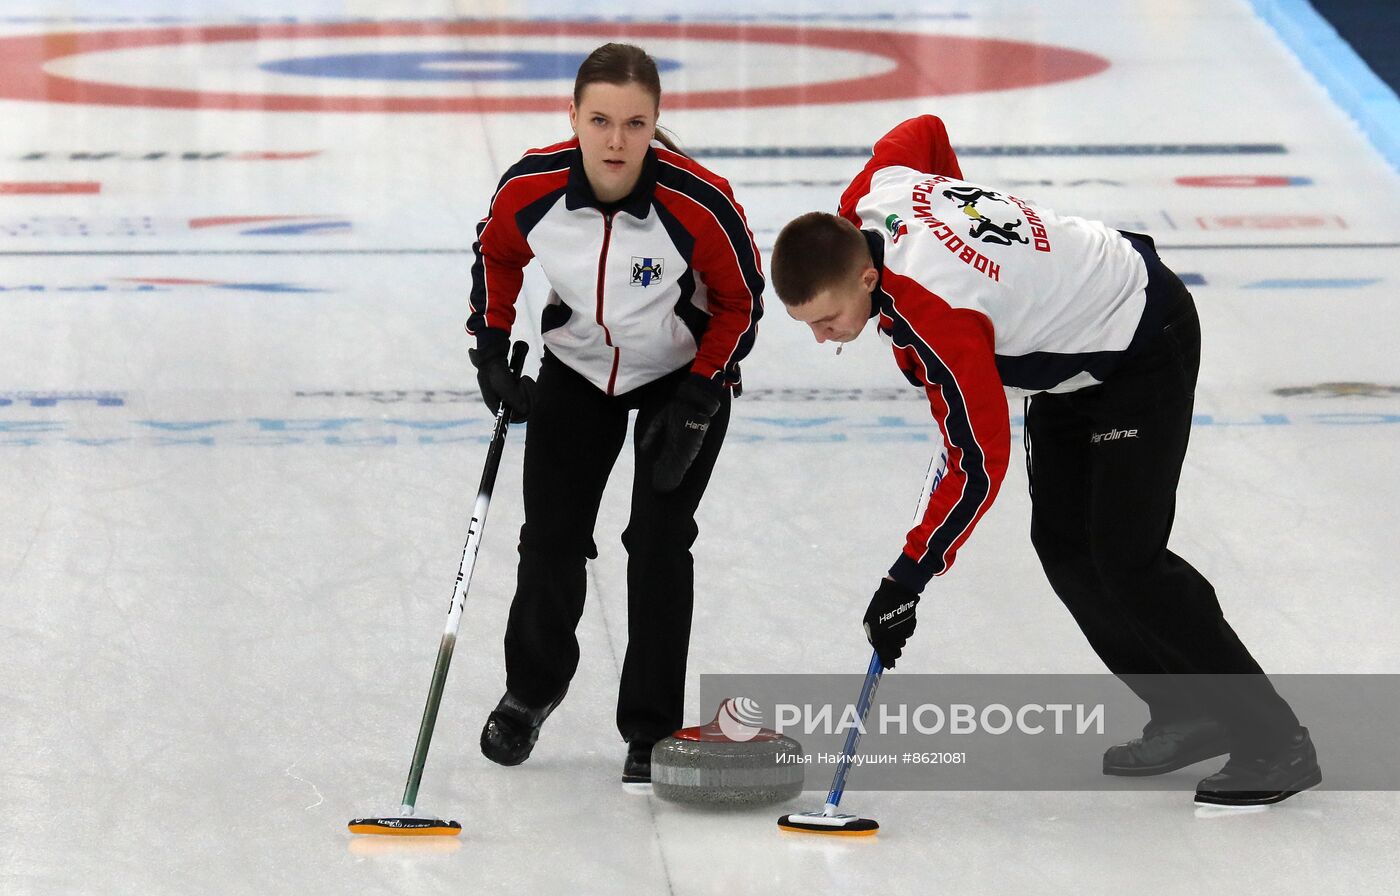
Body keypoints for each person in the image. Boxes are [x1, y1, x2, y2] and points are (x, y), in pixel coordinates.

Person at [768, 114, 1319, 807]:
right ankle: (1188, 709)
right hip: (1069, 353)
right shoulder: (873, 193)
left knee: (1128, 557)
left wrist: (908, 578)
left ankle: (1275, 739)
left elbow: (975, 462)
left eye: (828, 321)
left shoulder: (942, 316)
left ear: (869, 276)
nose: (824, 339)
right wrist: (989, 259)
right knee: (1062, 543)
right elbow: (924, 129)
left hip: (1141, 337)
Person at [465, 43, 763, 784]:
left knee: (659, 543)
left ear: (656, 122)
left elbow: (741, 300)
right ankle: (529, 692)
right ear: (572, 117)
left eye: (634, 123)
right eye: (599, 119)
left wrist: (701, 393)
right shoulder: (530, 187)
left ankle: (651, 730)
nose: (616, 140)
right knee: (550, 538)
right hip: (580, 367)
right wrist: (493, 348)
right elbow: (496, 254)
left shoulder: (698, 201)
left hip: (681, 378)